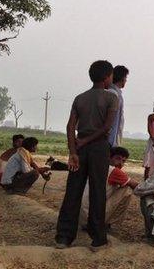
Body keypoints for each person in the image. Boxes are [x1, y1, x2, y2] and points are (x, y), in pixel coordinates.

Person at [55, 60, 119, 251]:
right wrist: (84, 142)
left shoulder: (80, 98)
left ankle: (64, 237)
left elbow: (70, 127)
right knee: (97, 191)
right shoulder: (111, 98)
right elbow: (106, 128)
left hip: (80, 148)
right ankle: (98, 238)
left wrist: (74, 150)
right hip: (98, 148)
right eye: (112, 76)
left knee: (73, 190)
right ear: (107, 77)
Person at [79, 147, 139, 229]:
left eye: (123, 161)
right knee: (127, 189)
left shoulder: (97, 165)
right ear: (109, 157)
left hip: (81, 215)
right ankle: (104, 223)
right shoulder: (113, 171)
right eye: (118, 159)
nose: (120, 163)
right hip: (90, 217)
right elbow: (136, 186)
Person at [108, 65, 128, 147]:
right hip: (109, 140)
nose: (126, 81)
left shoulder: (116, 93)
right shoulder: (113, 93)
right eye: (126, 78)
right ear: (122, 78)